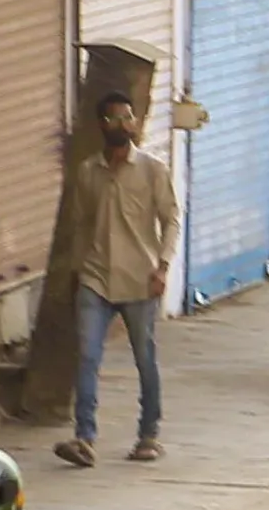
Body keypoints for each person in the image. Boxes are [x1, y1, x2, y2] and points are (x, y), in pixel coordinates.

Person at [48, 88, 177, 467]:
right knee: (87, 356)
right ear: (102, 125)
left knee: (144, 359)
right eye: (114, 118)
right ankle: (84, 438)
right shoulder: (88, 172)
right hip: (96, 278)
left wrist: (162, 266)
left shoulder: (153, 171)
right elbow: (80, 225)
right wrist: (77, 271)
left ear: (135, 123)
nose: (123, 124)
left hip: (139, 280)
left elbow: (171, 219)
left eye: (128, 117)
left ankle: (148, 434)